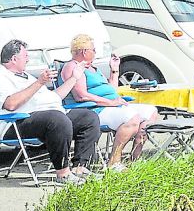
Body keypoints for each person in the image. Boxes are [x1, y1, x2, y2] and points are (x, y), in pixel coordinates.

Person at [0, 39, 102, 185]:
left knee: (88, 118)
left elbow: (55, 97)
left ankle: (80, 168)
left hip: (46, 116)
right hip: (14, 123)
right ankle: (63, 173)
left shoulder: (26, 77)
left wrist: (74, 78)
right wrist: (39, 82)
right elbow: (11, 104)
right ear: (14, 59)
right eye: (25, 55)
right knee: (57, 119)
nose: (28, 59)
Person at [62, 34, 160, 171]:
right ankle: (114, 161)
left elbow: (112, 90)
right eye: (93, 50)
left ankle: (134, 159)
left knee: (151, 111)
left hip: (110, 105)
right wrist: (110, 102)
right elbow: (81, 96)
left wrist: (114, 70)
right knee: (131, 117)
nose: (95, 53)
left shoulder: (93, 68)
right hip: (92, 109)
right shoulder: (73, 67)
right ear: (84, 51)